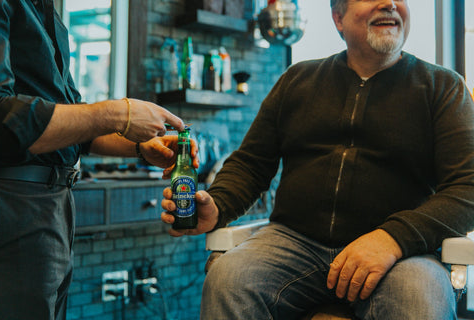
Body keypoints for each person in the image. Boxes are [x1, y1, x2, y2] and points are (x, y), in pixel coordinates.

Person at [162, 0, 474, 319]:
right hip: (295, 242)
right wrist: (218, 206)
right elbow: (251, 162)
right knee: (228, 280)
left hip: (402, 254)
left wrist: (391, 239)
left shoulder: (443, 88)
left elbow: (468, 188)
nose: (390, 4)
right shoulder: (298, 79)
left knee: (417, 299)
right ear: (338, 18)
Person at [0, 1, 199, 319]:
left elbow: (76, 124)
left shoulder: (51, 18)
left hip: (55, 205)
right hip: (13, 200)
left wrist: (141, 148)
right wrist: (115, 112)